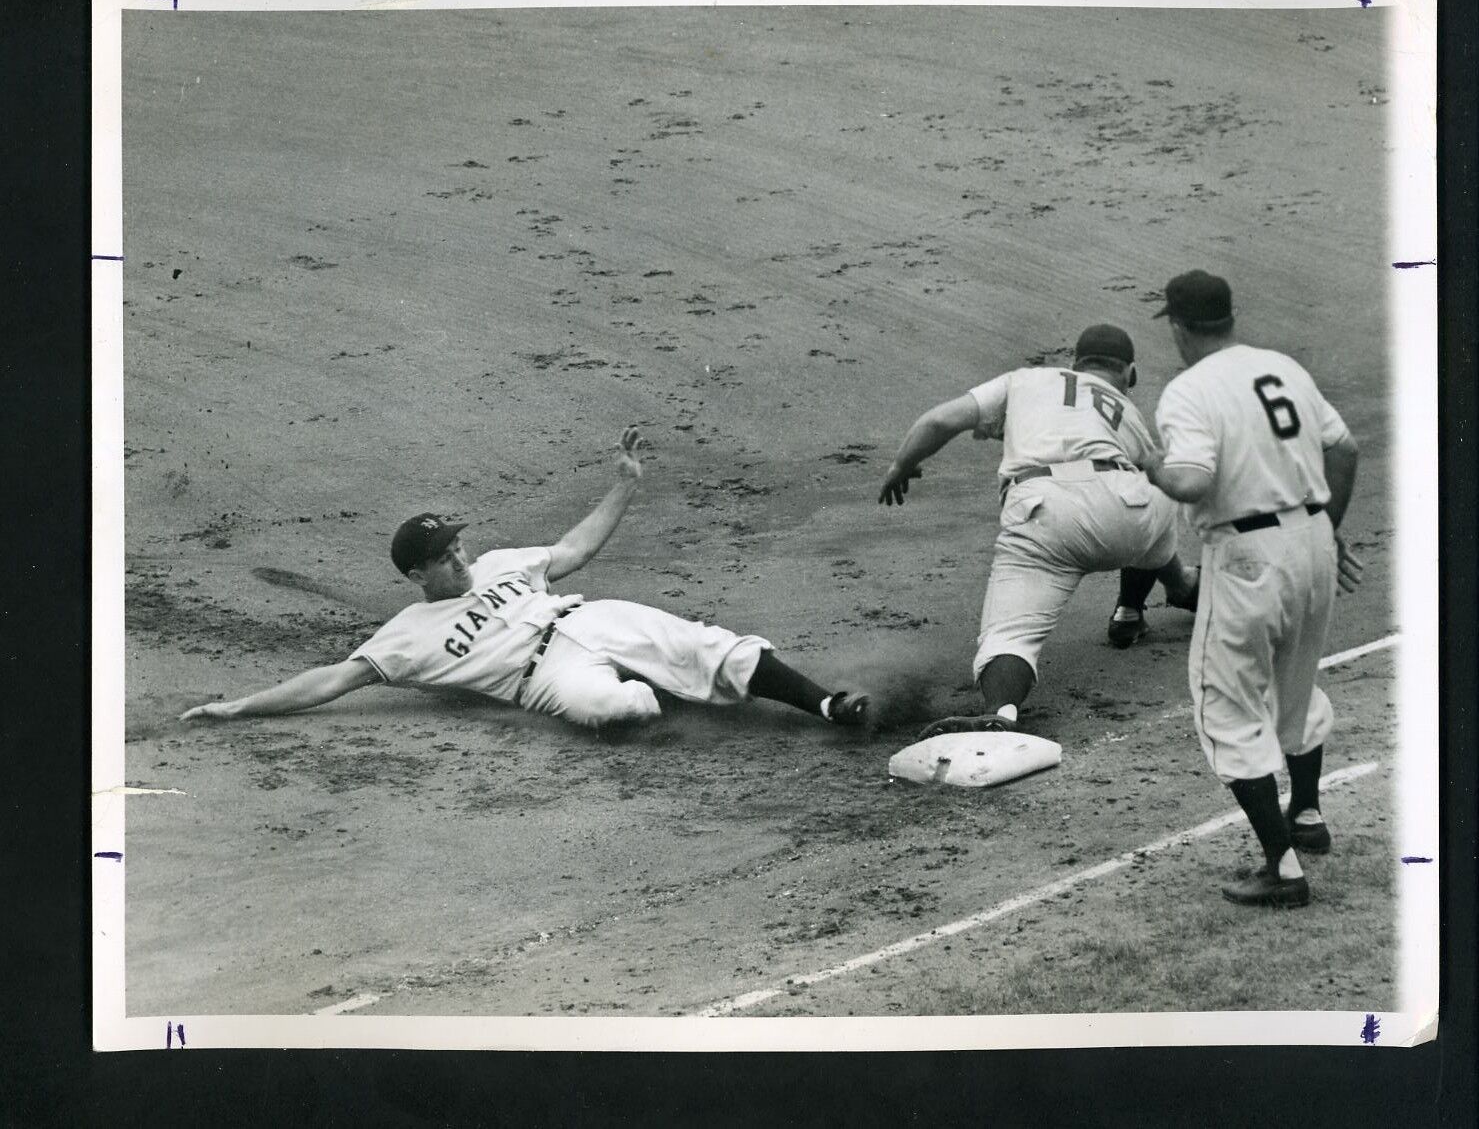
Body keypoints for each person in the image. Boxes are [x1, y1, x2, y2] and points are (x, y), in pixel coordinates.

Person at [181, 428, 869, 731]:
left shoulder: (504, 562)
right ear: (416, 573)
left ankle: (828, 707)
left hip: (585, 618)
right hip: (538, 680)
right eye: (444, 555)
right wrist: (240, 706)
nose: (459, 556)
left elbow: (574, 548)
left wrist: (621, 487)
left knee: (714, 645)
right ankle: (675, 693)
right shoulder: (405, 636)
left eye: (457, 543)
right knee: (618, 708)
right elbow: (329, 681)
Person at [1144, 270, 1362, 908]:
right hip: (1313, 539)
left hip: (1246, 558)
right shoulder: (1282, 366)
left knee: (1226, 705)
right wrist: (1326, 529)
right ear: (1229, 318)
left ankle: (1283, 869)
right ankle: (1310, 813)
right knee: (1294, 683)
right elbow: (1344, 451)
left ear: (1180, 328)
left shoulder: (1189, 390)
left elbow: (1189, 480)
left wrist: (1150, 463)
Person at [877, 324, 1199, 736]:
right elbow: (1156, 468)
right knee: (1149, 489)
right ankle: (1150, 601)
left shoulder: (1025, 378)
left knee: (1010, 636)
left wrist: (901, 465)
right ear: (1130, 374)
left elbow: (941, 420)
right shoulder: (1126, 409)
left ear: (1074, 363)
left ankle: (1003, 712)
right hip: (1131, 516)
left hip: (1045, 515)